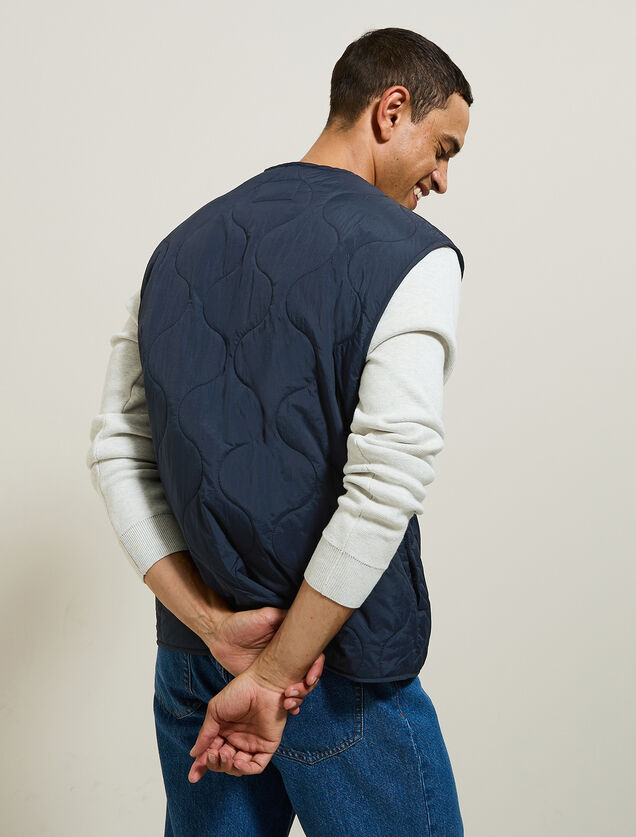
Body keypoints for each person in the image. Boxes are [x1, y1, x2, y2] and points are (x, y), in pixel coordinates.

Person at [87, 26, 472, 837]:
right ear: (390, 109)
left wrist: (210, 626)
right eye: (442, 149)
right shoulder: (415, 258)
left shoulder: (175, 251)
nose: (442, 178)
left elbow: (117, 451)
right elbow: (385, 487)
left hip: (199, 664)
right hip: (331, 673)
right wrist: (273, 672)